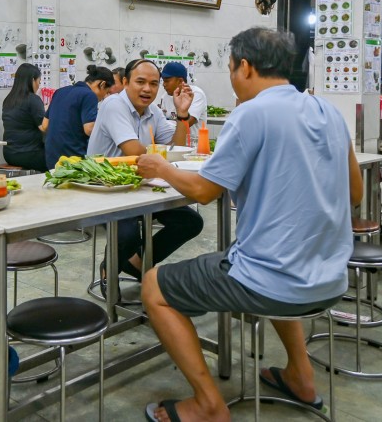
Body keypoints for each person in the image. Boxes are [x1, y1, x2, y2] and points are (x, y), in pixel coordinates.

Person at [136, 28, 361, 422]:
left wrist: (163, 168)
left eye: (230, 67)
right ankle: (300, 376)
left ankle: (207, 404)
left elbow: (204, 192)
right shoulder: (328, 112)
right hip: (329, 278)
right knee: (274, 258)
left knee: (154, 285)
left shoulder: (250, 112)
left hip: (274, 281)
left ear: (244, 65)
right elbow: (354, 193)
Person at [87, 58, 203, 288]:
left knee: (190, 221)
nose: (147, 89)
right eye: (140, 82)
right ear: (125, 82)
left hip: (140, 187)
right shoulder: (114, 105)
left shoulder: (153, 112)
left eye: (154, 83)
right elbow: (136, 153)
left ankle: (135, 263)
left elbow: (174, 150)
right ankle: (109, 272)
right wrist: (162, 162)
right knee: (128, 234)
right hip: (106, 188)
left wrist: (182, 115)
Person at [43, 65, 113, 169]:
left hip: (51, 158)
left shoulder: (60, 91)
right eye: (106, 92)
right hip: (73, 159)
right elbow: (89, 129)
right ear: (102, 84)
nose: (104, 97)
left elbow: (45, 125)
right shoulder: (89, 95)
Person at [1, 63, 48, 172]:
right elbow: (44, 127)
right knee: (61, 159)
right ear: (32, 80)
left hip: (9, 154)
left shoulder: (8, 100)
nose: (38, 86)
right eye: (39, 82)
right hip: (29, 154)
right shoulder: (33, 99)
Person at [158, 62, 208, 144]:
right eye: (163, 81)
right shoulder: (165, 96)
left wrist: (165, 124)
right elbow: (160, 125)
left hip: (193, 147)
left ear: (180, 81)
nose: (164, 84)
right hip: (172, 144)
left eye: (167, 81)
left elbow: (187, 123)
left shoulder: (196, 94)